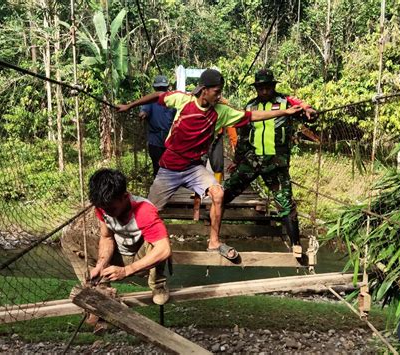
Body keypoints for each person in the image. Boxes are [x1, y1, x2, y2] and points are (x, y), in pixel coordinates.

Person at [117, 68, 304, 260]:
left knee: (218, 192)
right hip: (169, 168)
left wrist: (286, 111)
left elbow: (252, 116)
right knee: (151, 210)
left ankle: (214, 242)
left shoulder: (221, 112)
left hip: (194, 168)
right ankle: (129, 243)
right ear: (204, 90)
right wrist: (129, 106)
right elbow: (158, 95)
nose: (220, 95)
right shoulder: (183, 100)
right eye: (217, 91)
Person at [223, 69, 317, 259]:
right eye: (260, 87)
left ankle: (296, 244)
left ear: (273, 86)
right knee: (226, 192)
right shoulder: (250, 106)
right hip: (251, 160)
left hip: (276, 163)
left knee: (285, 201)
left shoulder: (285, 102)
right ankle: (213, 231)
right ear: (256, 88)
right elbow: (242, 137)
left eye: (267, 87)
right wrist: (237, 161)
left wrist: (309, 111)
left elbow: (305, 109)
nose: (264, 90)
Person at [61, 168, 171, 305]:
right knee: (69, 240)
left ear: (124, 197)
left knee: (157, 241)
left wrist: (127, 270)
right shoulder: (103, 207)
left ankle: (158, 286)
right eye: (104, 208)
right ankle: (100, 287)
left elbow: (164, 249)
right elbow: (106, 238)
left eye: (112, 208)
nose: (107, 212)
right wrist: (101, 264)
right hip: (119, 254)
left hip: (140, 256)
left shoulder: (144, 210)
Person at [139, 75, 176, 177]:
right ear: (155, 89)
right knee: (158, 167)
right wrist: (143, 114)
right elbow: (144, 111)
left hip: (170, 141)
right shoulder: (150, 101)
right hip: (155, 141)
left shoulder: (172, 100)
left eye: (163, 89)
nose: (161, 91)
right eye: (159, 89)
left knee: (170, 168)